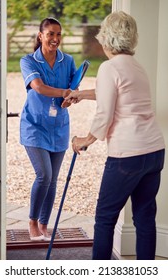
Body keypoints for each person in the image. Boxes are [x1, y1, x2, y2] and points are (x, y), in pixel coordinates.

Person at [64, 11, 165, 259]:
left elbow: (105, 113)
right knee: (144, 217)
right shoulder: (136, 67)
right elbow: (114, 93)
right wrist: (80, 94)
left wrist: (84, 140)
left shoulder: (109, 67)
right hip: (153, 151)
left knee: (105, 218)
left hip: (127, 156)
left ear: (106, 37)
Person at [20, 17, 76, 241]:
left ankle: (44, 223)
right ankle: (32, 221)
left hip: (59, 127)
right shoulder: (29, 61)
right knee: (44, 175)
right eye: (50, 34)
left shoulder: (68, 60)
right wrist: (64, 93)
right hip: (34, 126)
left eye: (58, 34)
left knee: (53, 179)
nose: (55, 39)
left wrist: (71, 97)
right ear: (40, 36)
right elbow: (39, 87)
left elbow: (74, 87)